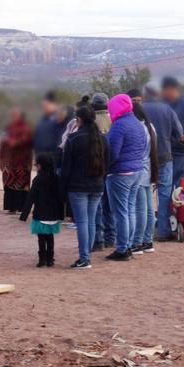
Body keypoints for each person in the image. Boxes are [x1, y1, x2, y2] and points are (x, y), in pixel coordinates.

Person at [61, 106, 109, 269]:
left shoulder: (73, 139)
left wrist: (63, 188)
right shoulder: (102, 138)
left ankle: (84, 258)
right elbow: (109, 160)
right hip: (97, 185)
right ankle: (86, 255)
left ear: (78, 120)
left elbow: (66, 167)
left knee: (82, 222)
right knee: (90, 221)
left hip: (77, 186)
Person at [105, 94, 147, 261]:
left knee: (121, 212)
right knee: (129, 210)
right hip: (137, 171)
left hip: (120, 174)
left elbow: (113, 153)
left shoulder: (118, 126)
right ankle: (128, 245)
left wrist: (104, 167)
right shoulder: (137, 123)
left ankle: (122, 249)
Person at [142, 80, 183, 242]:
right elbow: (178, 134)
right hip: (165, 156)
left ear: (146, 93)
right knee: (165, 193)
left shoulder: (139, 109)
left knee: (143, 193)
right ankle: (164, 231)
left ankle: (146, 231)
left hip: (144, 158)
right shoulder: (167, 109)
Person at [19, 153, 64, 268]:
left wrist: (24, 215)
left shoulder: (38, 179)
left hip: (40, 214)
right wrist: (61, 214)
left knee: (41, 237)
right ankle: (50, 259)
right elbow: (61, 197)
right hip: (53, 214)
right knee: (50, 237)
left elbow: (31, 197)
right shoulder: (57, 178)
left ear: (40, 166)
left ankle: (42, 259)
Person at [131, 101, 159, 254]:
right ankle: (148, 240)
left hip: (139, 170)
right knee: (148, 208)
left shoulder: (137, 128)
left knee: (140, 209)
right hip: (149, 170)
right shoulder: (150, 127)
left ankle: (137, 242)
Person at [0, 108, 33, 213]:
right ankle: (11, 207)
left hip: (22, 162)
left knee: (22, 184)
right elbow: (3, 143)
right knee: (9, 183)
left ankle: (22, 207)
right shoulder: (8, 128)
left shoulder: (26, 128)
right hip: (9, 162)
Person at [91, 92, 114, 250]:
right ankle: (111, 238)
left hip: (95, 169)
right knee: (110, 206)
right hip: (111, 168)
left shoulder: (90, 120)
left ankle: (98, 240)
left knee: (97, 206)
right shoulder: (114, 118)